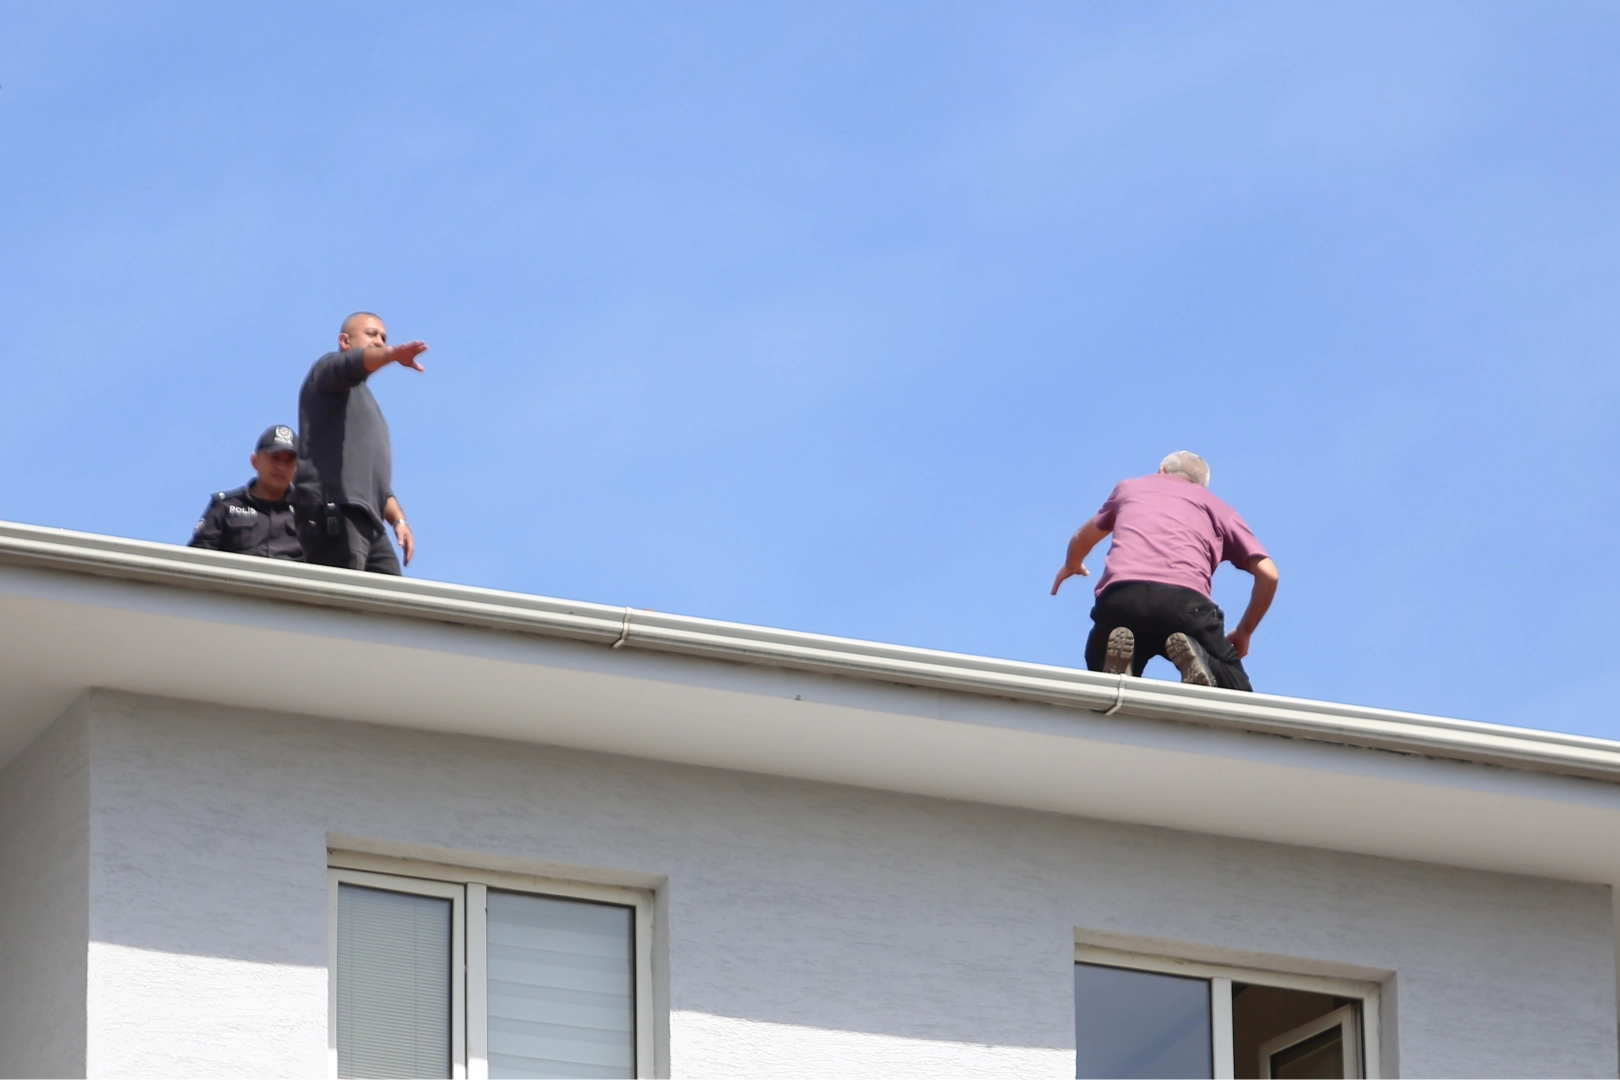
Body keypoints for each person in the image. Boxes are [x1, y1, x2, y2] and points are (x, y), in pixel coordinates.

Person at [1050, 451, 1279, 691]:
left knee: (1100, 662)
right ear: (1201, 485)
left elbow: (1081, 538)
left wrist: (1071, 565)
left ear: (1162, 470)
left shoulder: (1129, 489)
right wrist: (1244, 632)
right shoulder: (1219, 508)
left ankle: (1116, 673)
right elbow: (1269, 574)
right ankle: (1201, 657)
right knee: (1234, 691)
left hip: (1121, 599)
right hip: (1185, 605)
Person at [295, 312, 424, 574]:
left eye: (384, 337)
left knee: (392, 605)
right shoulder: (328, 370)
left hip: (370, 521)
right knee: (342, 605)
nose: (379, 341)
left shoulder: (366, 404)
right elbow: (352, 365)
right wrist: (393, 354)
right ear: (345, 341)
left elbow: (376, 483)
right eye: (371, 334)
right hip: (336, 511)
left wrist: (399, 520)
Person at [188, 425, 304, 560]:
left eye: (289, 461)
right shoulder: (225, 507)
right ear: (255, 461)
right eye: (274, 458)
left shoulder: (307, 512)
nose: (281, 467)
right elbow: (198, 558)